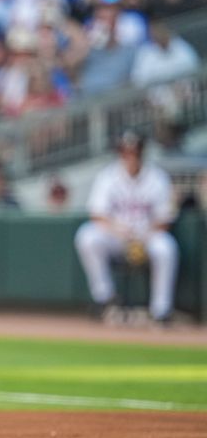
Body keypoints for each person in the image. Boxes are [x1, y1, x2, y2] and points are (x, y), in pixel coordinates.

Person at [74, 130, 179, 325]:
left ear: (141, 152)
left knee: (166, 247)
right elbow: (97, 214)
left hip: (148, 235)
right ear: (120, 152)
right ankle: (104, 298)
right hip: (117, 236)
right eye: (126, 151)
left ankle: (161, 310)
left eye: (134, 151)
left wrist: (144, 235)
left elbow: (165, 219)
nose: (130, 155)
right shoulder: (108, 176)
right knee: (87, 236)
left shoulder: (158, 178)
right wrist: (118, 231)